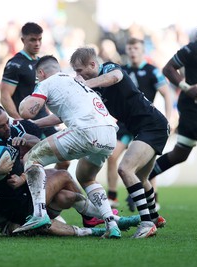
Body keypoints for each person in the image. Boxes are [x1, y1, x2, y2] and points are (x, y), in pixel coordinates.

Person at [0, 104, 138, 238]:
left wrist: (25, 142)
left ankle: (94, 222)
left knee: (66, 197)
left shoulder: (12, 130)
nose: (7, 128)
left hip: (28, 193)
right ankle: (101, 222)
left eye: (7, 123)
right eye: (1, 126)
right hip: (14, 203)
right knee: (62, 175)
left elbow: (38, 142)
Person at [16, 56, 121, 238]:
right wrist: (35, 125)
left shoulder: (47, 82)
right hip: (109, 133)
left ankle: (39, 214)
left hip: (86, 130)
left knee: (32, 158)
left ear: (41, 73)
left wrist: (25, 103)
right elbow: (59, 117)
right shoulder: (75, 81)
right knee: (86, 178)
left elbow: (26, 112)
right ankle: (111, 225)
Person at [70, 47, 168, 238]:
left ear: (92, 64)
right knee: (141, 177)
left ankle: (147, 223)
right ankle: (155, 217)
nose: (77, 75)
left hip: (152, 125)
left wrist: (85, 84)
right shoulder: (94, 88)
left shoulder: (109, 68)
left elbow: (114, 78)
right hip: (142, 128)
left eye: (79, 70)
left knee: (125, 169)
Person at [148, 15, 197, 194]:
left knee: (180, 154)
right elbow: (168, 68)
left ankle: (142, 177)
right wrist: (186, 87)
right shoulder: (193, 49)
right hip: (192, 106)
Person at [107, 37, 173, 210]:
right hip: (125, 123)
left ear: (142, 50)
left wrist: (169, 117)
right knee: (113, 156)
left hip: (146, 122)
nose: (132, 51)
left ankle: (154, 199)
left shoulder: (152, 71)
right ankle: (112, 197)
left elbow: (167, 93)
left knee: (145, 164)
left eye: (135, 48)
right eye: (129, 48)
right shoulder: (122, 70)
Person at [0, 22, 69, 170]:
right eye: (32, 40)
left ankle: (52, 188)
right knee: (29, 162)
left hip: (43, 119)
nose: (37, 43)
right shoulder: (15, 64)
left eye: (39, 39)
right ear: (23, 40)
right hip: (25, 121)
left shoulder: (41, 63)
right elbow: (5, 96)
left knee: (64, 160)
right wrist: (18, 120)